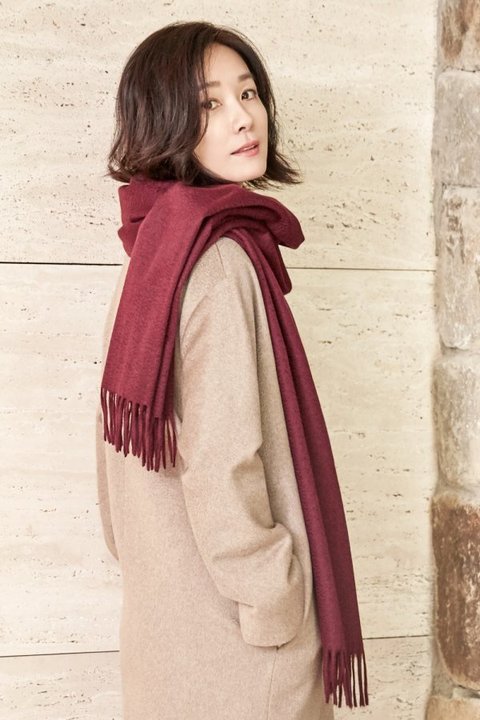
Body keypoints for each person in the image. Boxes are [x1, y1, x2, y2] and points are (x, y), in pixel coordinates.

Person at [95, 20, 368, 720]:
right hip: (244, 663)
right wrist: (278, 599)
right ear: (163, 121)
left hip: (168, 636)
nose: (244, 117)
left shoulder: (155, 251)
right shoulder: (216, 260)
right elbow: (222, 463)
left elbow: (113, 463)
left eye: (247, 93)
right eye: (209, 103)